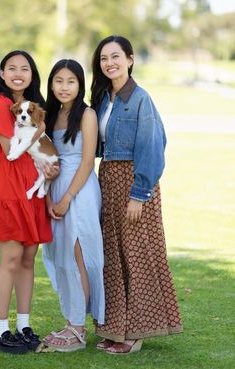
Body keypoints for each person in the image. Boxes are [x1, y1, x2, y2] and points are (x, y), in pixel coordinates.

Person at [90, 35, 183, 355]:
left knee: (138, 257)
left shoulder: (141, 99)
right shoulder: (103, 98)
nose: (109, 63)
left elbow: (153, 146)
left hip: (135, 185)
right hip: (109, 182)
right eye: (104, 58)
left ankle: (139, 331)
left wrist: (139, 194)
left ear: (130, 59)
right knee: (113, 258)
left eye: (115, 56)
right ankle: (115, 328)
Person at [0, 50, 53, 354]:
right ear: (3, 73)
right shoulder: (0, 106)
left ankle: (23, 324)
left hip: (30, 193)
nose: (18, 73)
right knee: (9, 259)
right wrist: (41, 130)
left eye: (25, 68)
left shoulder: (34, 108)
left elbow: (40, 153)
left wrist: (51, 165)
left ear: (32, 74)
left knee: (27, 259)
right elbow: (11, 148)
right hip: (7, 192)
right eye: (11, 68)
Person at [40, 59, 105, 352]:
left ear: (80, 85)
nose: (64, 87)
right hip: (54, 188)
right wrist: (48, 195)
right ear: (51, 84)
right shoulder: (51, 114)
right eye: (58, 81)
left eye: (71, 81)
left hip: (79, 190)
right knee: (61, 256)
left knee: (80, 255)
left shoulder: (86, 114)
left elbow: (88, 161)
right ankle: (71, 320)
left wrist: (66, 198)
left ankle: (79, 329)